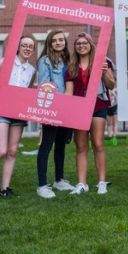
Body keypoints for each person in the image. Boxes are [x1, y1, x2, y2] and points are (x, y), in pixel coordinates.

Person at [0, 35, 36, 200]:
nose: (27, 48)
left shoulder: (32, 71)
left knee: (12, 151)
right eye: (24, 45)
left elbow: (27, 92)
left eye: (30, 46)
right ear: (18, 47)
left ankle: (5, 189)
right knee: (1, 150)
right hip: (0, 109)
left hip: (18, 113)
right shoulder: (5, 62)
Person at [65, 32, 115, 195]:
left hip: (98, 105)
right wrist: (63, 110)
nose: (81, 46)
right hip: (79, 109)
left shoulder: (103, 62)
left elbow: (111, 85)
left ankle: (101, 182)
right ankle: (82, 183)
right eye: (78, 43)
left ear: (91, 45)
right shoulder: (71, 67)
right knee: (81, 147)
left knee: (98, 144)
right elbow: (69, 93)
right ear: (75, 47)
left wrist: (104, 72)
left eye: (84, 43)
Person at [35, 30, 76, 198]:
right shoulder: (45, 61)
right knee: (46, 145)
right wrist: (51, 108)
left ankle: (59, 180)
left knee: (60, 145)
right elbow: (44, 86)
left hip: (67, 108)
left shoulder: (68, 60)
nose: (58, 43)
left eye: (61, 40)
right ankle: (42, 185)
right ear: (49, 43)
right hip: (53, 108)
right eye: (54, 40)